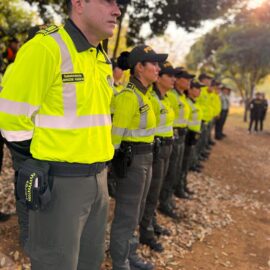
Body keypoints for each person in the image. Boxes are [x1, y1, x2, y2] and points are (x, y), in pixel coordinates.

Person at [0, 0, 124, 269]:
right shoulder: (46, 47)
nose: (117, 10)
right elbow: (9, 115)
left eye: (119, 3)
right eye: (108, 1)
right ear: (79, 3)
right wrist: (35, 162)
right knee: (55, 263)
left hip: (99, 180)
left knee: (90, 262)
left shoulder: (100, 57)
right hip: (60, 184)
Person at [110, 45, 167, 270]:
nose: (158, 68)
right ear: (139, 68)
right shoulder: (128, 97)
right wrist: (113, 167)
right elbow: (115, 138)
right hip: (132, 162)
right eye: (153, 63)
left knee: (137, 211)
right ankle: (120, 262)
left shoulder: (145, 96)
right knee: (126, 214)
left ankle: (129, 253)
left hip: (146, 158)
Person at [139, 61, 175, 252]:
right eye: (170, 75)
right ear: (159, 79)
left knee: (156, 191)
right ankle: (146, 231)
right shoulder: (151, 98)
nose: (173, 79)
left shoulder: (165, 98)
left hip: (166, 147)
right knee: (151, 193)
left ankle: (151, 223)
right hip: (156, 149)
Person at [179, 80, 204, 196]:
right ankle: (179, 187)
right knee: (182, 164)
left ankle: (183, 184)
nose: (199, 91)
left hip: (193, 136)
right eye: (197, 88)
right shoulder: (187, 103)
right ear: (190, 90)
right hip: (187, 135)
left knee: (186, 164)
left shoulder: (195, 102)